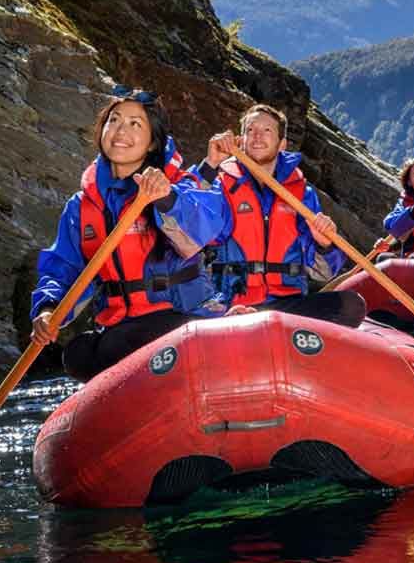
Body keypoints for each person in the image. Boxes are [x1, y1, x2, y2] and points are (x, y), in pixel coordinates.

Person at [29, 87, 229, 381]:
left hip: (185, 318)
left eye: (136, 124)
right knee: (78, 355)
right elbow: (64, 268)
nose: (121, 130)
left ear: (151, 143)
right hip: (122, 329)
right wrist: (47, 309)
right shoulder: (81, 206)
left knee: (141, 337)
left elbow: (206, 230)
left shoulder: (180, 186)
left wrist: (166, 199)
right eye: (114, 121)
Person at [199, 104, 366, 326]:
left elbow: (323, 274)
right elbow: (189, 227)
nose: (257, 136)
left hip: (288, 304)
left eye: (267, 130)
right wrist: (209, 166)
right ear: (241, 140)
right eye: (250, 130)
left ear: (282, 144)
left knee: (351, 305)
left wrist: (325, 245)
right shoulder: (220, 185)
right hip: (234, 304)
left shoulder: (302, 195)